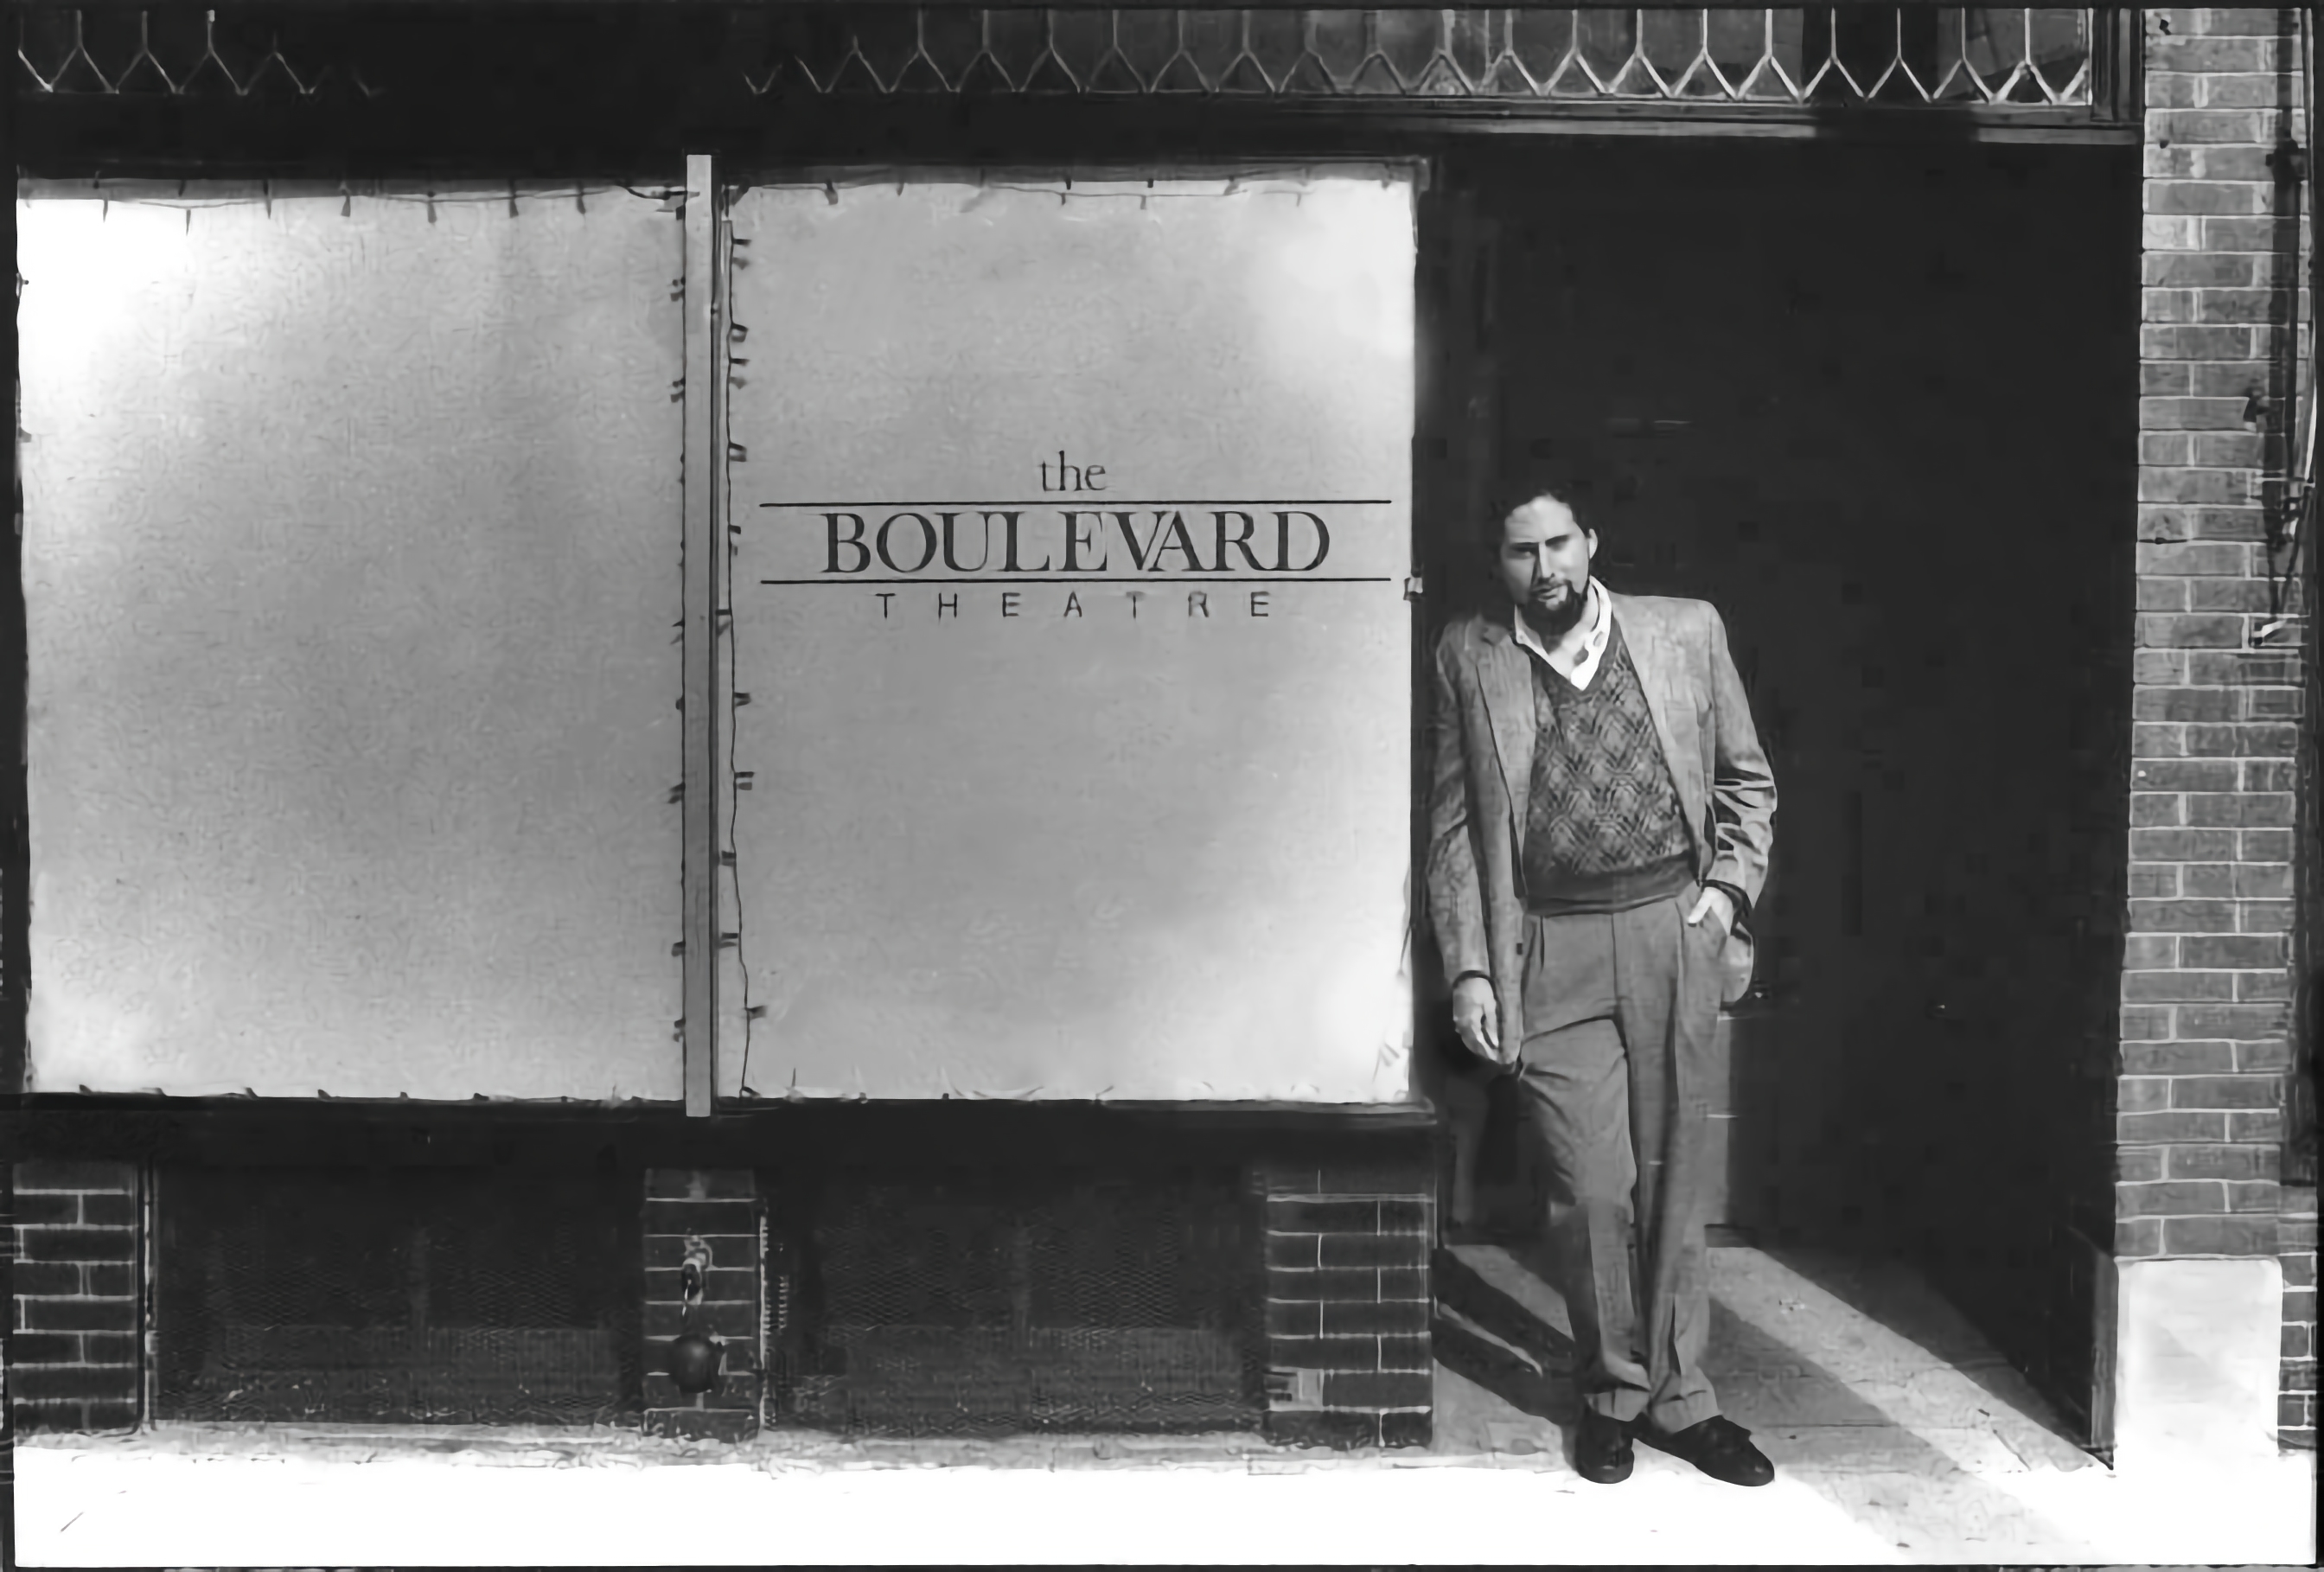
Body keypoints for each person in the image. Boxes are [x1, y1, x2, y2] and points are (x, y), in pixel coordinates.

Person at [1425, 485, 1778, 1487]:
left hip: (1672, 928)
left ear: (1591, 544)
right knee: (1589, 1192)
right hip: (1550, 944)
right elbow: (1453, 832)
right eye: (1522, 554)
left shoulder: (1684, 633)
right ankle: (1611, 1388)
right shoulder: (1469, 656)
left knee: (1674, 1177)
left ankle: (1681, 1400)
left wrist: (1722, 897)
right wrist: (1473, 972)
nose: (1546, 571)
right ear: (1499, 564)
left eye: (1559, 546)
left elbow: (1748, 781)